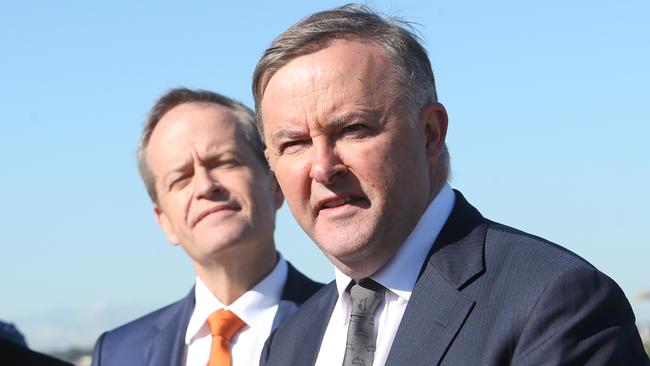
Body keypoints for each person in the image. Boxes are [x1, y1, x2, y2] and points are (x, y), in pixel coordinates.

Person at [253, 5, 649, 365]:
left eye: (353, 129)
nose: (323, 167)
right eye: (294, 144)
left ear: (430, 133)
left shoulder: (555, 303)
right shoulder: (288, 343)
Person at [90, 88, 322, 366]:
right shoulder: (118, 354)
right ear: (163, 220)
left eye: (224, 163)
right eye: (181, 179)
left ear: (274, 184)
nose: (205, 186)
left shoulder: (349, 321)